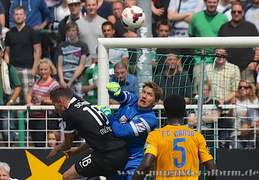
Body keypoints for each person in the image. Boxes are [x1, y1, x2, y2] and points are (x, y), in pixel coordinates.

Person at [46, 88, 128, 180]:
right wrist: (77, 151)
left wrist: (58, 148)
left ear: (61, 102)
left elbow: (67, 144)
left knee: (67, 176)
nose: (55, 110)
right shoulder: (85, 103)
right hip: (121, 151)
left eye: (54, 105)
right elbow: (96, 136)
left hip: (106, 155)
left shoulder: (68, 114)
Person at [131, 94, 217, 180]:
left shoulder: (155, 136)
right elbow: (212, 169)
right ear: (184, 113)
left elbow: (146, 165)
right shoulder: (197, 136)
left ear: (165, 113)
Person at [99, 81, 163, 180]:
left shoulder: (150, 120)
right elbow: (120, 96)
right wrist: (114, 91)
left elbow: (120, 132)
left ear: (155, 102)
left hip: (132, 163)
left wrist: (108, 116)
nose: (144, 96)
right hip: (115, 158)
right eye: (143, 92)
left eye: (149, 95)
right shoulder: (133, 99)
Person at [188, 0, 229, 95]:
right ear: (205, 3)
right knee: (198, 86)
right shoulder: (196, 17)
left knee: (217, 88)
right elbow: (191, 37)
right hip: (200, 59)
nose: (212, 4)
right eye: (210, 2)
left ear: (218, 3)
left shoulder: (223, 19)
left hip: (217, 59)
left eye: (214, 2)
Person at [4, 6, 42, 105]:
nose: (18, 17)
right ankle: (16, 120)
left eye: (21, 14)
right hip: (14, 69)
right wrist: (8, 69)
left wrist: (34, 69)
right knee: (14, 99)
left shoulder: (31, 32)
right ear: (13, 16)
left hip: (27, 69)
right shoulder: (9, 33)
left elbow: (38, 51)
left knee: (28, 98)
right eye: (16, 14)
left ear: (25, 16)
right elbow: (7, 52)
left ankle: (27, 121)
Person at [205, 48, 240, 148]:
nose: (219, 57)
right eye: (217, 54)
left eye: (222, 54)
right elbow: (205, 87)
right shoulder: (208, 68)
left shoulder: (234, 68)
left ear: (226, 54)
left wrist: (222, 101)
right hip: (209, 111)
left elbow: (235, 90)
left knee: (223, 142)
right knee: (209, 143)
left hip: (226, 111)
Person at [218, 2, 259, 83]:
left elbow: (258, 46)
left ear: (243, 13)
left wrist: (255, 62)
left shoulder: (250, 27)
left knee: (247, 92)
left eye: (239, 12)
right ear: (231, 13)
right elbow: (220, 46)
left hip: (246, 66)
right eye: (234, 12)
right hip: (228, 67)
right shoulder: (224, 27)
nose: (236, 14)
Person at [26, 58, 60, 147]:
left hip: (45, 117)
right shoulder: (37, 81)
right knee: (35, 140)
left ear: (50, 70)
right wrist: (29, 102)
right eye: (41, 69)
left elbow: (58, 100)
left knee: (41, 141)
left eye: (45, 69)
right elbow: (29, 94)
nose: (43, 72)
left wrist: (45, 101)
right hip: (33, 116)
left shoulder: (54, 84)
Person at [58, 21, 89, 100]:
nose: (71, 33)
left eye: (73, 30)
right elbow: (60, 64)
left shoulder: (82, 45)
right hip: (64, 78)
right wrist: (61, 80)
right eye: (69, 31)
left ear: (77, 31)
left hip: (77, 80)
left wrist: (71, 81)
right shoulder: (62, 45)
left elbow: (82, 65)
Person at [0, 45, 22, 147]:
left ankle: (10, 152)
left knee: (7, 131)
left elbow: (18, 86)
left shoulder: (9, 68)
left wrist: (11, 102)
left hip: (4, 105)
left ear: (2, 53)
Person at [229, 80, 258, 149]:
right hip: (237, 133)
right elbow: (229, 117)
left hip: (252, 132)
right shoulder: (236, 101)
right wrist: (232, 107)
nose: (242, 89)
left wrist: (247, 114)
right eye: (240, 87)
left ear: (251, 88)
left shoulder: (255, 101)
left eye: (245, 87)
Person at [76, 0, 107, 66]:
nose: (91, 7)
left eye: (93, 5)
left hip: (101, 63)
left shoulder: (104, 23)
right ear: (85, 6)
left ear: (97, 5)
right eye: (89, 5)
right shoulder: (78, 24)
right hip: (83, 64)